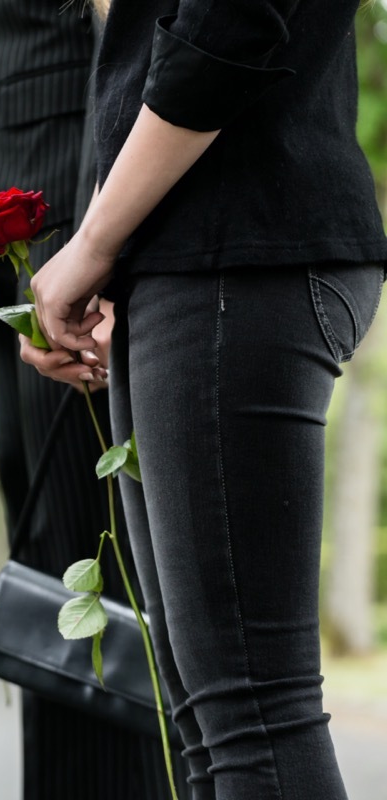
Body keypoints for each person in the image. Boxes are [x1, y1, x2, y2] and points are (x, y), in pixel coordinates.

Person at [20, 1, 387, 798]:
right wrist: (107, 262)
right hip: (196, 256)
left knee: (250, 718)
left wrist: (94, 245)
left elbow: (230, 20)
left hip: (235, 249)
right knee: (205, 723)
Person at [0, 2, 186, 797]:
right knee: (63, 608)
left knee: (112, 613)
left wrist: (113, 263)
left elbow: (137, 71)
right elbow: (15, 113)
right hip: (26, 291)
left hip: (90, 292)